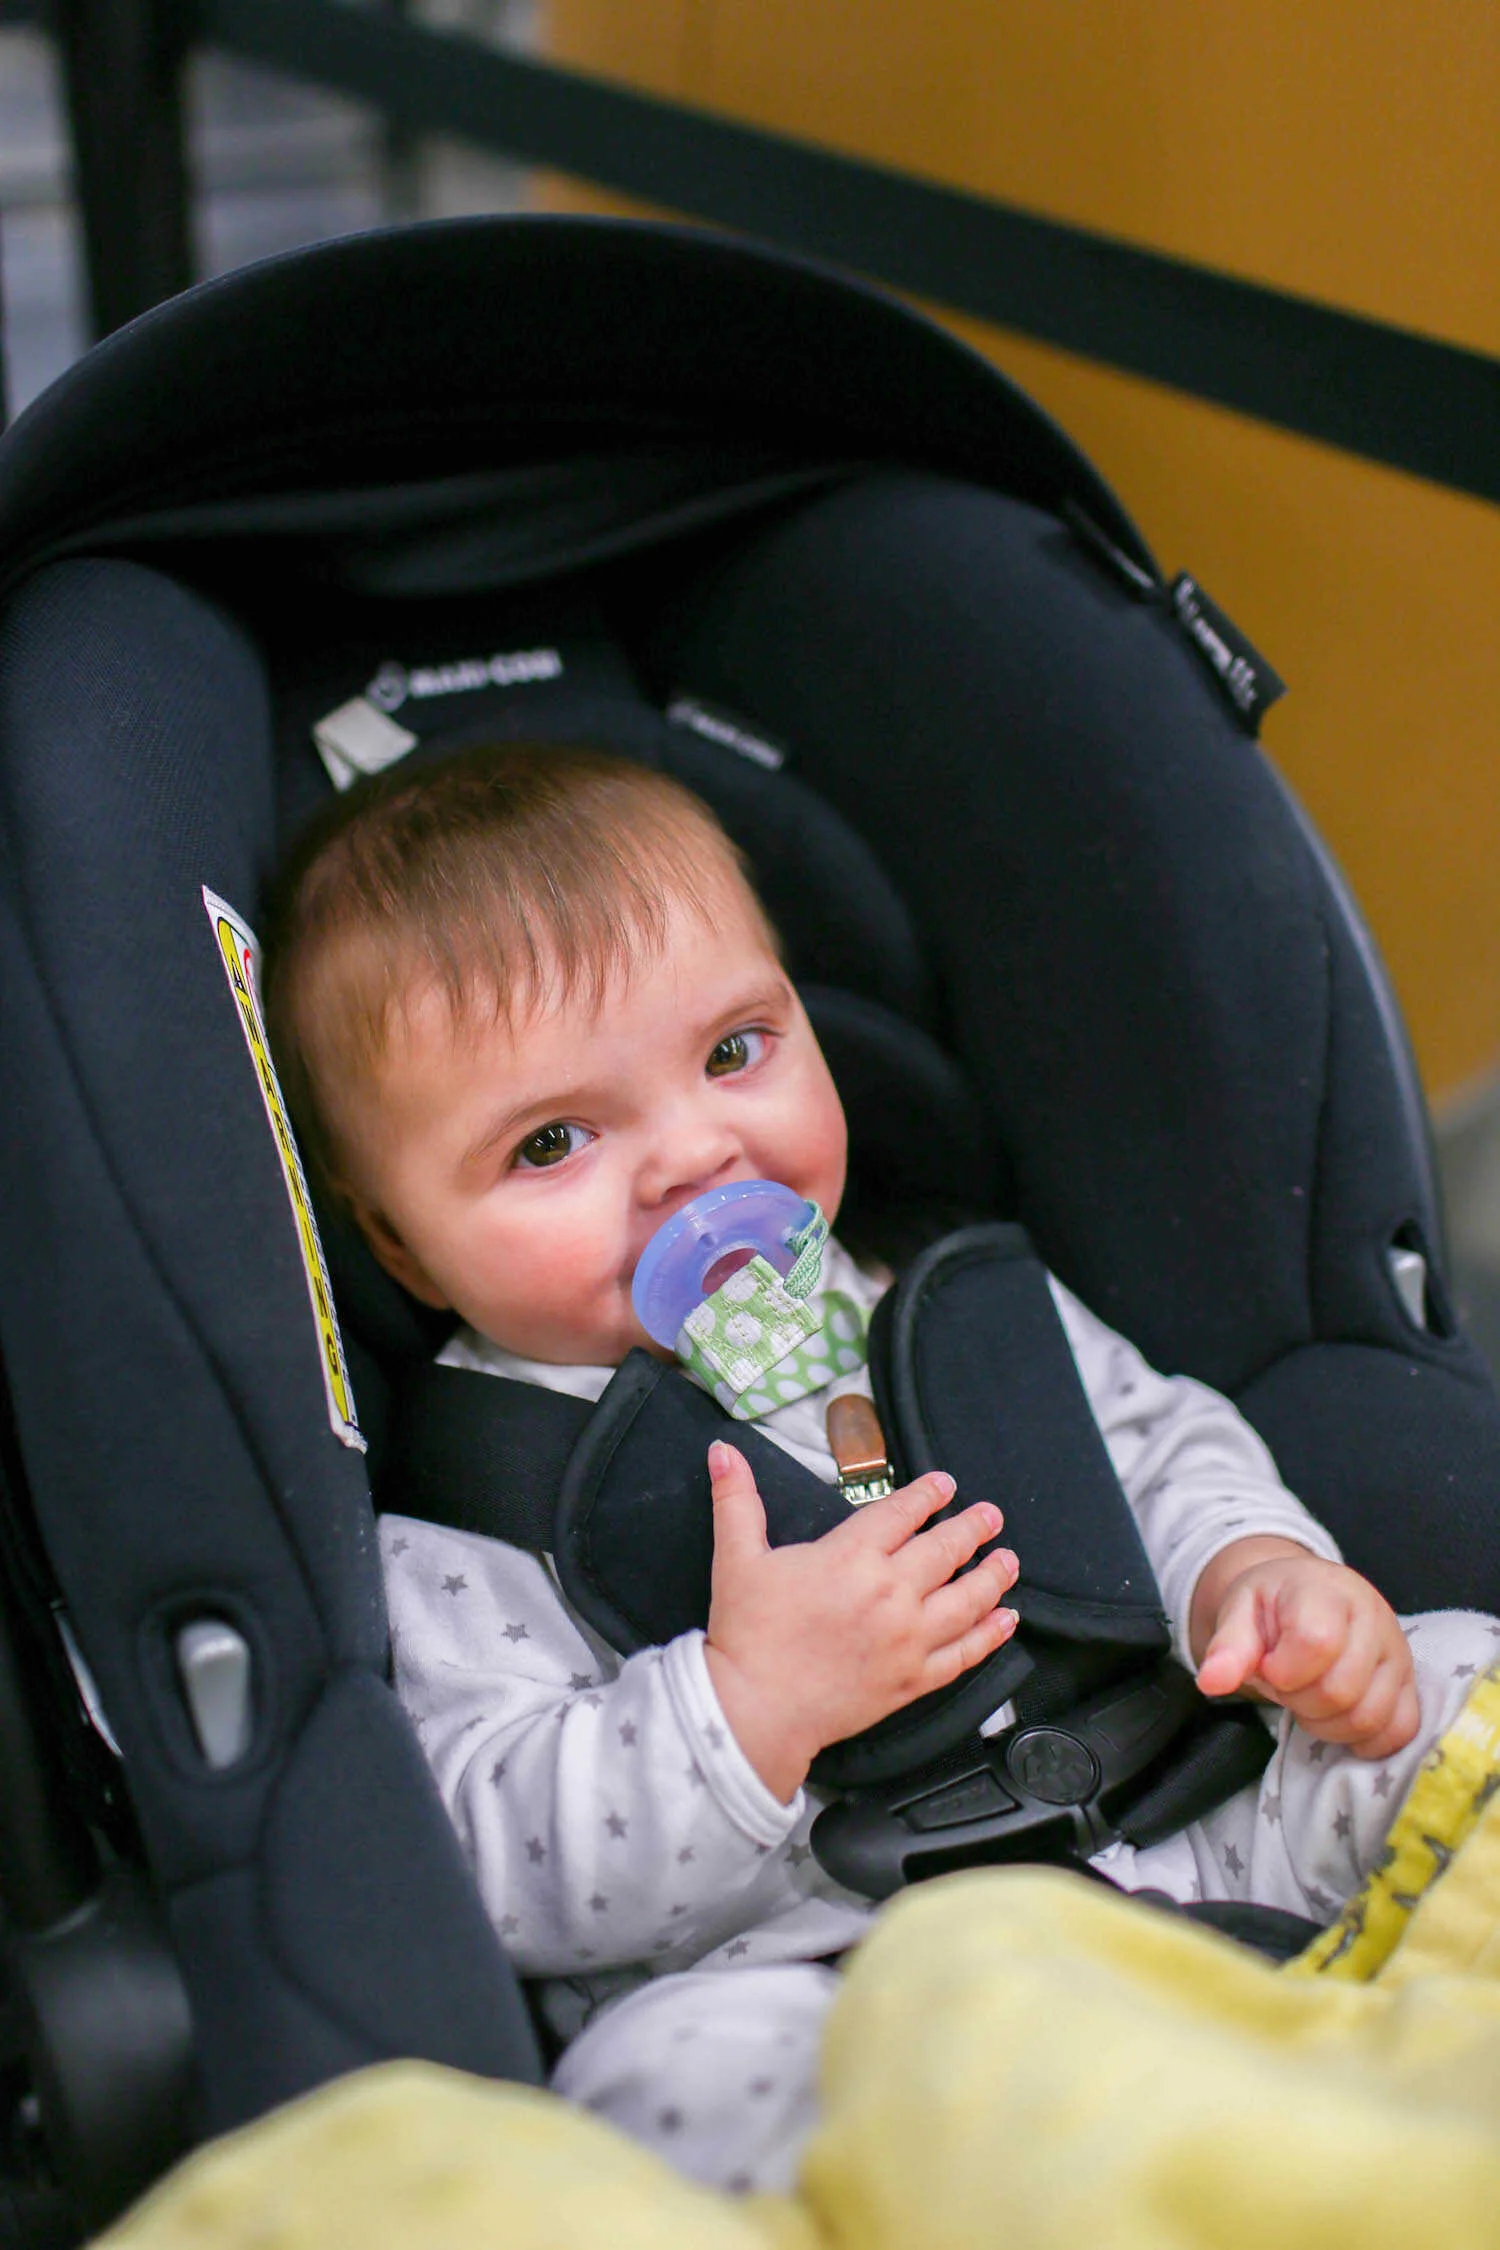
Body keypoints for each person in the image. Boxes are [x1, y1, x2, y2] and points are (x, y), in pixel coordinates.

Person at [263, 741, 1497, 2194]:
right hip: (832, 1955)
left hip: (1190, 1814)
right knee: (654, 2082)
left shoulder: (934, 1295)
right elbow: (489, 1845)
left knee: (1457, 1680)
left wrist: (1255, 1571)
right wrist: (741, 1712)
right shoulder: (480, 1507)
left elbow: (1159, 1443)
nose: (690, 1153)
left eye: (733, 1051)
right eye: (552, 1140)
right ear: (400, 1240)